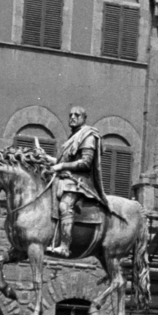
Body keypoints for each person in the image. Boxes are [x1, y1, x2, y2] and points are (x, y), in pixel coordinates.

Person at [46, 105, 106, 258]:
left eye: (76, 115)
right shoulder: (74, 136)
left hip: (80, 183)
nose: (72, 117)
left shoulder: (88, 136)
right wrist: (48, 159)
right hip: (67, 179)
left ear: (84, 118)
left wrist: (61, 166)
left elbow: (85, 163)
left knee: (65, 205)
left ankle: (65, 246)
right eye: (70, 115)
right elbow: (64, 160)